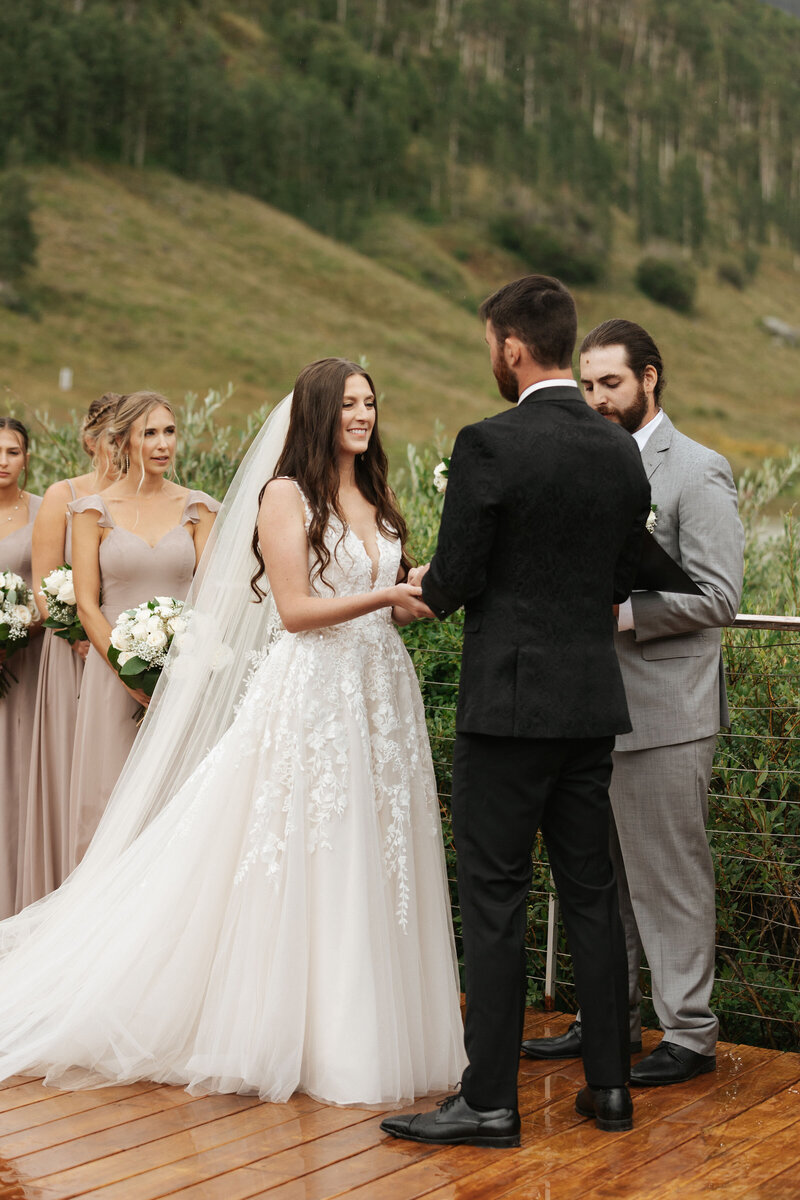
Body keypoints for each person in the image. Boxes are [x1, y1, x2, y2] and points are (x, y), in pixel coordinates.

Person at [0, 359, 466, 1108]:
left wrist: (419, 592)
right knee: (312, 845)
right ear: (317, 410)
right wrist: (382, 594)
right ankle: (294, 1031)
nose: (363, 413)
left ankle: (363, 1022)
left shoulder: (373, 490)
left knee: (374, 845)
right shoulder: (285, 494)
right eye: (348, 402)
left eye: (371, 402)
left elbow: (381, 593)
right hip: (314, 691)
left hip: (379, 689)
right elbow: (293, 610)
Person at [380, 277, 651, 1149]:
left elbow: (455, 579)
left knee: (494, 900)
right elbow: (620, 574)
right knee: (593, 894)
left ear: (510, 347)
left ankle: (489, 1101)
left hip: (507, 710)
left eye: (487, 344)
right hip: (590, 707)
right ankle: (611, 1088)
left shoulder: (489, 443)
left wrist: (420, 589)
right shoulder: (621, 450)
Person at [521, 319, 744, 1085]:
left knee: (669, 876)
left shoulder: (698, 471)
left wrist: (621, 611)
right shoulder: (586, 462)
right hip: (588, 705)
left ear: (649, 378)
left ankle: (688, 1035)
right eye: (586, 384)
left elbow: (720, 596)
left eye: (609, 383)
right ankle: (604, 1020)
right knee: (595, 877)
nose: (596, 398)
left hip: (666, 713)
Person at [67, 391, 219, 868]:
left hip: (183, 676)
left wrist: (184, 665)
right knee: (107, 803)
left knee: (175, 802)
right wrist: (127, 672)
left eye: (169, 432)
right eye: (149, 433)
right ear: (124, 442)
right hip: (112, 677)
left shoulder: (199, 509)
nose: (161, 444)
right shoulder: (92, 511)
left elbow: (212, 597)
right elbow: (88, 605)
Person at [20, 395, 119, 907]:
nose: (121, 449)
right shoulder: (66, 494)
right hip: (70, 653)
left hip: (126, 649)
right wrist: (76, 631)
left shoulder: (140, 496)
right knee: (72, 773)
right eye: (113, 439)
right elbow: (43, 583)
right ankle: (60, 892)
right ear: (90, 441)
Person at [0, 418, 43, 920]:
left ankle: (21, 900)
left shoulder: (42, 511)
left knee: (19, 776)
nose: (3, 460)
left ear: (26, 458)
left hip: (29, 659)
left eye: (13, 451)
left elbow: (53, 588)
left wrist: (15, 633)